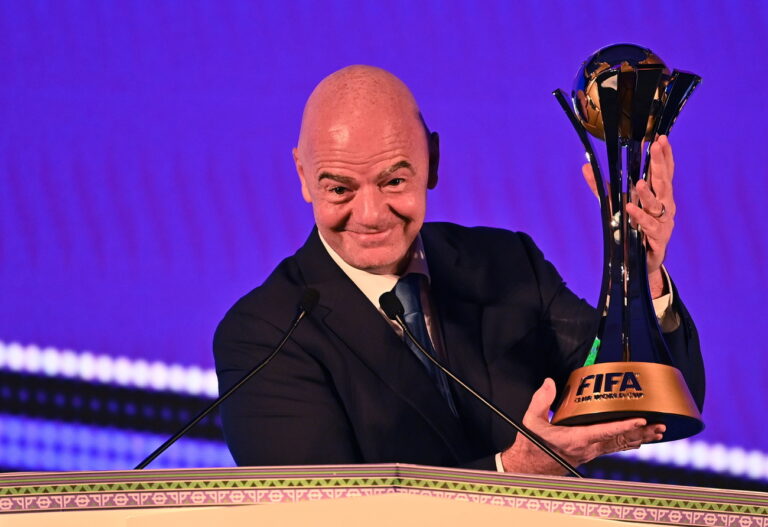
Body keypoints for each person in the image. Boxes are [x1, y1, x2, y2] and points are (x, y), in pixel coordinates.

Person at [213, 65, 704, 474]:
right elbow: (323, 517)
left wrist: (638, 281)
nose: (369, 214)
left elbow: (647, 408)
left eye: (394, 180)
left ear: (434, 160)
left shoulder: (509, 264)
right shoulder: (263, 335)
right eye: (340, 189)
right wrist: (511, 472)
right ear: (303, 176)